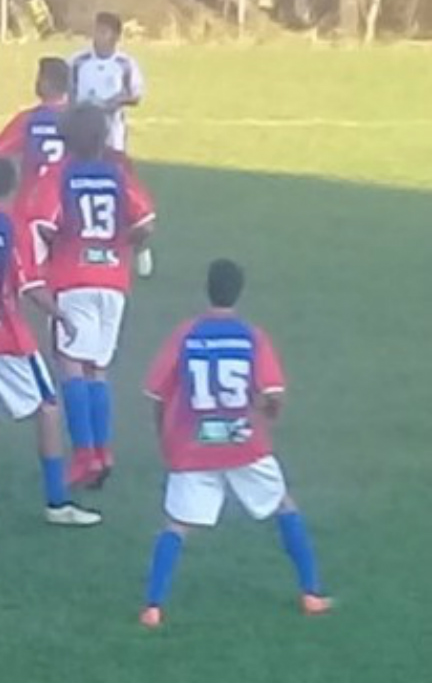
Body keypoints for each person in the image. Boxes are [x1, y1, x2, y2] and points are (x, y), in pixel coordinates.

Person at [139, 259, 332, 627]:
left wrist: (164, 436)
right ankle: (311, 593)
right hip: (244, 443)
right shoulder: (251, 336)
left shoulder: (185, 334)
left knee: (176, 524)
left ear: (207, 289)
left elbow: (158, 395)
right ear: (239, 292)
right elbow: (273, 395)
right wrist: (265, 415)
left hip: (191, 446)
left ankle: (153, 606)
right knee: (284, 506)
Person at [0, 158, 101, 528]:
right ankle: (57, 503)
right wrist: (61, 316)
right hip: (6, 337)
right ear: (13, 187)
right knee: (48, 408)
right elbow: (30, 286)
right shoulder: (15, 228)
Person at [29, 105, 155, 489]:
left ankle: (85, 455)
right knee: (98, 368)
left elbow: (43, 224)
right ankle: (104, 451)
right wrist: (119, 243)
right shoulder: (118, 174)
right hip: (113, 281)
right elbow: (146, 223)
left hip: (74, 278)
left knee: (70, 364)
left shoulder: (60, 174)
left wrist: (65, 244)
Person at [68, 12, 153, 276]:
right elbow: (68, 94)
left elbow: (136, 95)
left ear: (115, 36)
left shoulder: (125, 64)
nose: (97, 37)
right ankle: (83, 239)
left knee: (120, 190)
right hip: (82, 136)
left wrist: (115, 101)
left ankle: (139, 247)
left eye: (103, 32)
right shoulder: (78, 62)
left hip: (112, 137)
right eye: (96, 31)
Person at [0, 56, 71, 221]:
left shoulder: (29, 119)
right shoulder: (80, 120)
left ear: (46, 83)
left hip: (33, 202)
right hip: (68, 204)